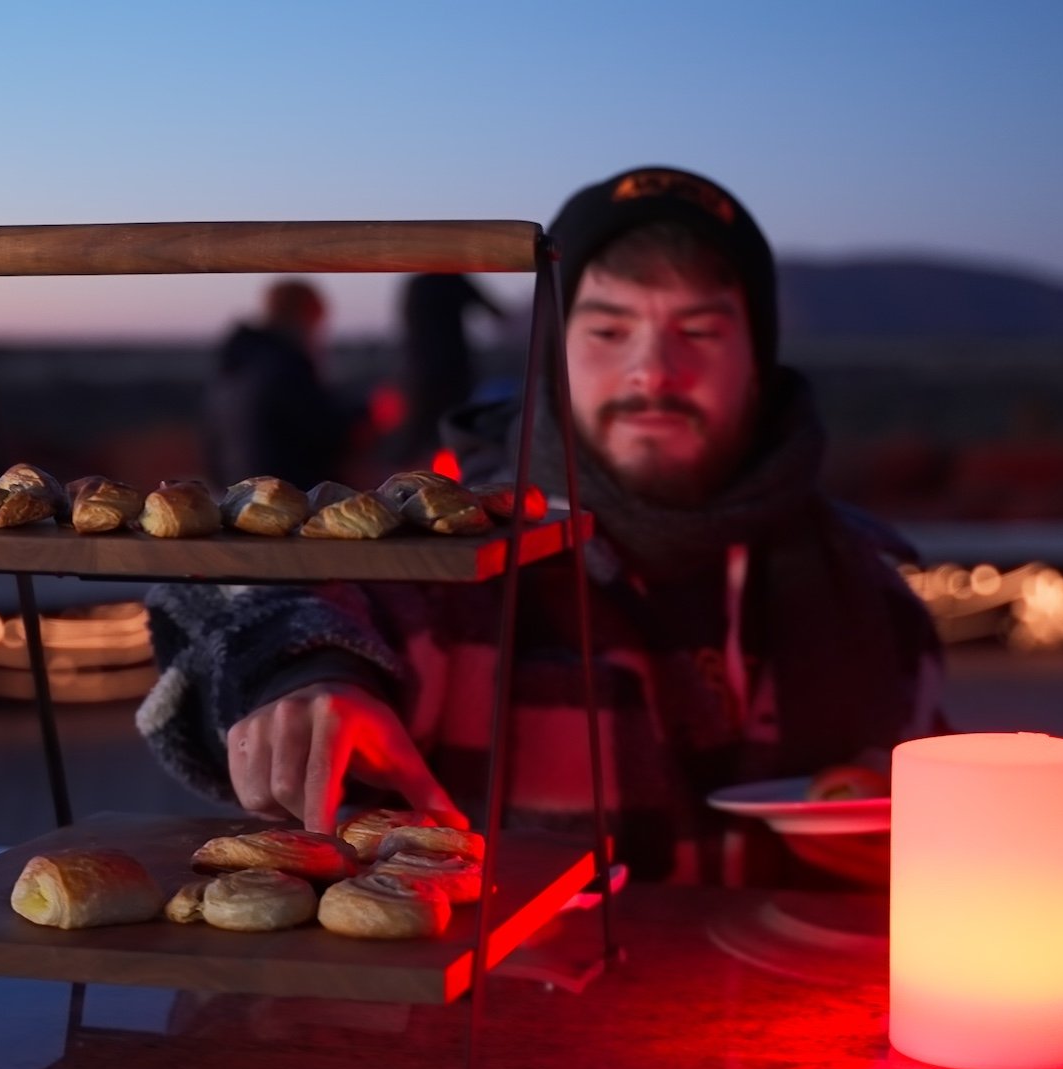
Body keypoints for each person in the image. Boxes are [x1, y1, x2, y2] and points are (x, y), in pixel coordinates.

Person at [140, 167, 944, 886]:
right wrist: (300, 673)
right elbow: (250, 603)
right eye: (607, 331)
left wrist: (913, 839)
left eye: (699, 331)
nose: (653, 371)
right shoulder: (468, 560)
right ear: (554, 353)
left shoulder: (867, 594)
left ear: (757, 358)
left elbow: (935, 795)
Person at [204, 279, 359, 490]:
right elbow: (327, 435)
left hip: (242, 501)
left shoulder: (236, 366)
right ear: (304, 317)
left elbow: (212, 446)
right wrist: (372, 413)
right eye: (317, 325)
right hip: (287, 505)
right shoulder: (285, 368)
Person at [394, 273, 504, 464]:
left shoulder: (417, 284)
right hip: (452, 371)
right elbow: (497, 313)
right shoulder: (452, 279)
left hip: (421, 371)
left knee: (420, 434)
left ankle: (408, 481)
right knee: (452, 432)